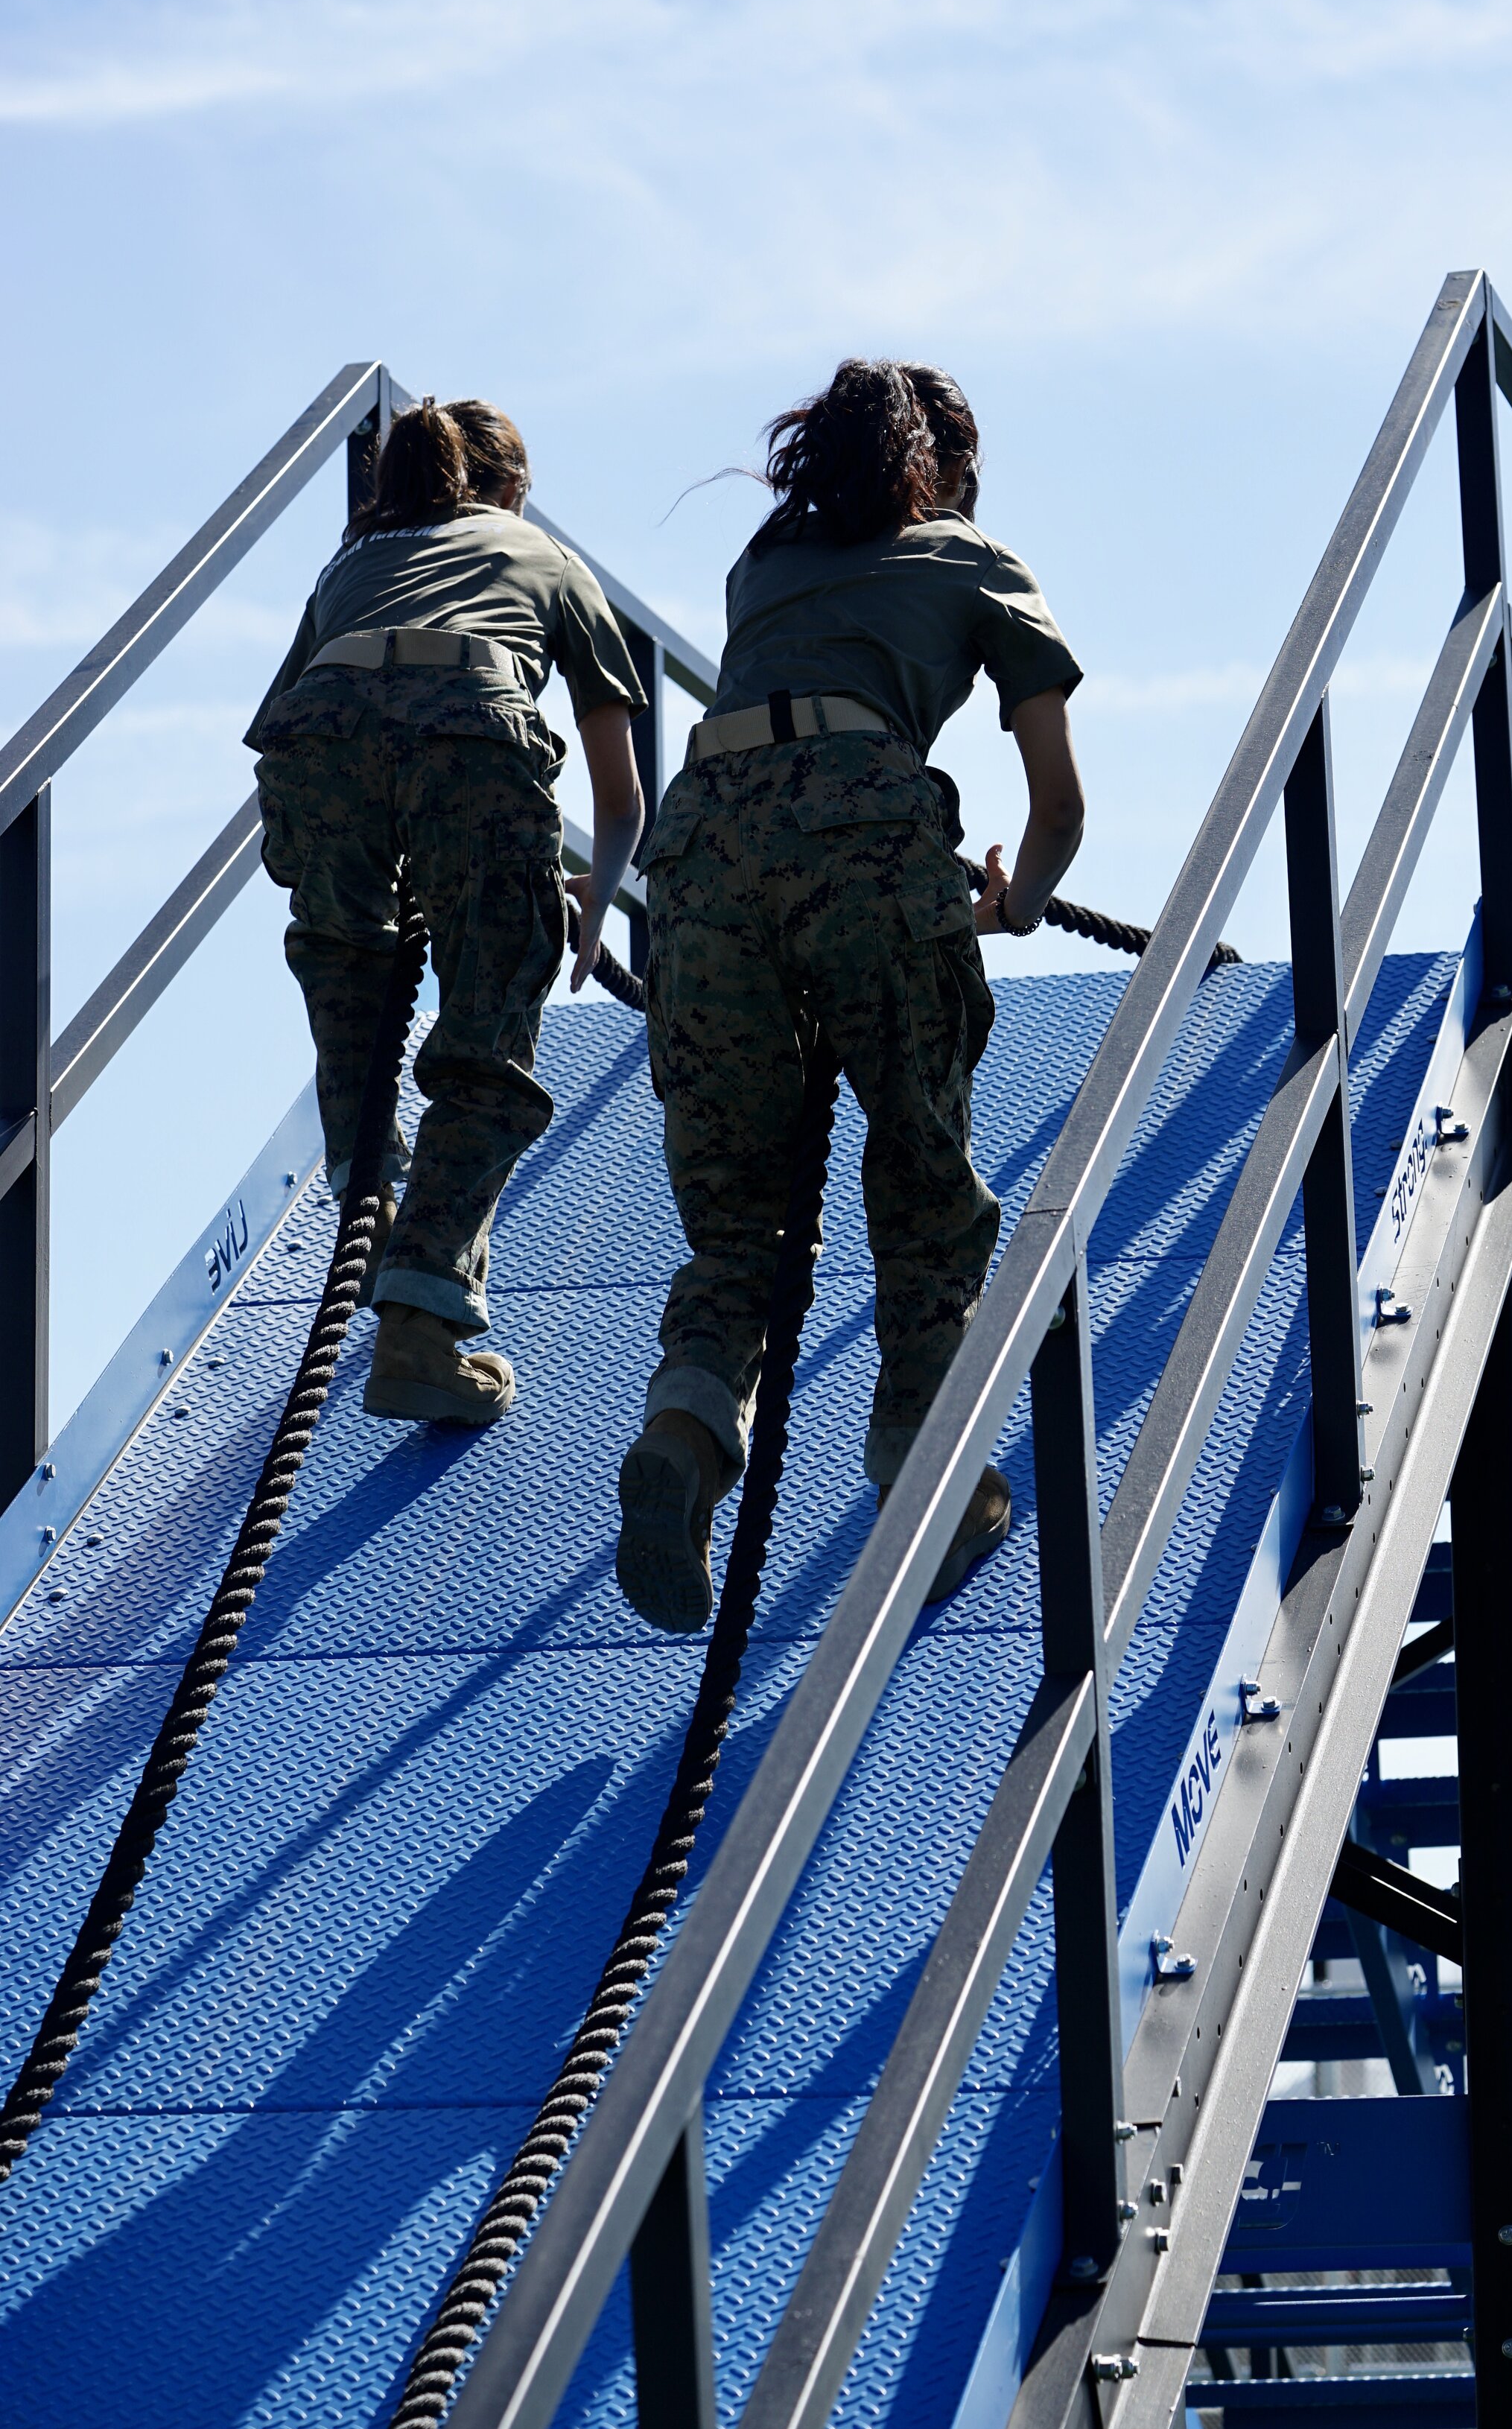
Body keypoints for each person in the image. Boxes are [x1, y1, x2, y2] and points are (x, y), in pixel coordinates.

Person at [614, 358, 1086, 1631]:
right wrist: (1019, 898)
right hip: (870, 836)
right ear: (954, 470)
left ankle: (688, 1431)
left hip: (700, 845)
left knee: (739, 1220)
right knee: (924, 1176)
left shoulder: (763, 566)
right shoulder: (976, 559)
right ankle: (923, 1474)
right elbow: (1059, 806)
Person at [247, 396, 646, 1423]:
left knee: (346, 968)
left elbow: (300, 727)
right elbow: (620, 794)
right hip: (471, 739)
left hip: (320, 744)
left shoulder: (350, 562)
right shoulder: (540, 554)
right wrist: (584, 904)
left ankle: (368, 1188)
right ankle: (422, 1327)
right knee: (485, 1039)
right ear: (509, 489)